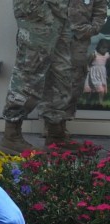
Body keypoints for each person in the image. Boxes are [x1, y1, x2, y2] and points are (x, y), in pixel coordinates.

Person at [0, 0, 72, 153]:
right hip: (37, 9)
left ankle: (56, 133)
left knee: (60, 71)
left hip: (61, 11)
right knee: (30, 70)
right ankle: (11, 135)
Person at [42, 0, 107, 139]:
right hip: (54, 35)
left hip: (79, 39)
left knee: (75, 80)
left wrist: (92, 29)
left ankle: (62, 124)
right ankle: (50, 124)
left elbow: (101, 9)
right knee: (52, 78)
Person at [84, 38, 110, 105]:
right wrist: (87, 69)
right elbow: (88, 63)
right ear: (99, 46)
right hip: (93, 74)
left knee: (101, 89)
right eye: (103, 48)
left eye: (106, 48)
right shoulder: (94, 54)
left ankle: (100, 102)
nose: (105, 49)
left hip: (102, 74)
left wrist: (106, 74)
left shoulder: (106, 55)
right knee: (90, 90)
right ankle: (88, 101)